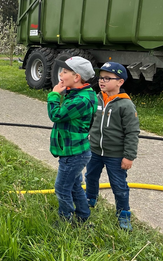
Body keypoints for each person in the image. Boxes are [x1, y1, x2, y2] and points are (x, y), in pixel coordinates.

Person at [85, 62, 140, 230]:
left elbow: (132, 132)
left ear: (120, 82)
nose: (102, 81)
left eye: (107, 78)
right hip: (94, 150)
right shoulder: (97, 98)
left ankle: (123, 214)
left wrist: (129, 156)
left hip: (115, 155)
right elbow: (90, 123)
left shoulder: (125, 105)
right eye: (101, 77)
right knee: (91, 177)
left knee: (119, 185)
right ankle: (90, 199)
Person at [47, 56, 98, 224]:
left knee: (62, 188)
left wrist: (54, 95)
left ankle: (65, 219)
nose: (61, 74)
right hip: (73, 151)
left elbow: (56, 115)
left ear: (77, 77)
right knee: (75, 186)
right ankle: (83, 215)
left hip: (74, 153)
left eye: (65, 71)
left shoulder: (81, 100)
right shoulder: (79, 93)